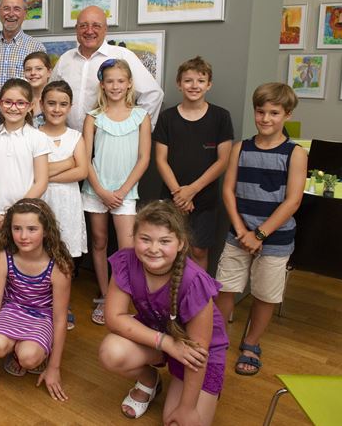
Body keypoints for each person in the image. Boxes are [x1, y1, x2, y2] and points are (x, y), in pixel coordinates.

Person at [98, 200, 229, 424]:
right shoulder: (126, 261)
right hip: (161, 339)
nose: (153, 248)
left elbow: (198, 354)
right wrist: (167, 343)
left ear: (180, 243)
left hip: (195, 354)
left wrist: (187, 408)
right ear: (134, 237)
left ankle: (201, 394)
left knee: (178, 422)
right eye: (145, 239)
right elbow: (114, 318)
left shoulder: (194, 280)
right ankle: (150, 380)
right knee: (111, 352)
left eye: (164, 241)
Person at [215, 83, 307, 376]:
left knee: (265, 294)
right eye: (260, 111)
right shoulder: (240, 148)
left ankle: (251, 344)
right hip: (238, 235)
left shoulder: (295, 154)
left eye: (274, 113)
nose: (266, 118)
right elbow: (228, 191)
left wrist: (259, 235)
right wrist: (241, 230)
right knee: (225, 287)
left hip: (274, 239)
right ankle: (217, 340)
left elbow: (292, 201)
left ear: (287, 114)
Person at [0, 199, 73, 402]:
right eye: (17, 228)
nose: (23, 236)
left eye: (32, 229)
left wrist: (54, 367)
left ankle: (33, 350)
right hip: (13, 309)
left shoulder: (58, 267)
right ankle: (17, 348)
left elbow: (60, 319)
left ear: (46, 231)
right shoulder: (3, 259)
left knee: (28, 357)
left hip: (42, 316)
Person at [82, 59, 151, 326]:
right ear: (102, 85)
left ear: (129, 83)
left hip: (125, 193)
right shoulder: (93, 117)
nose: (115, 86)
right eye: (110, 81)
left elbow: (144, 158)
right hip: (96, 190)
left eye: (120, 81)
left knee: (128, 248)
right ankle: (104, 295)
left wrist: (121, 191)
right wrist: (101, 190)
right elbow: (86, 158)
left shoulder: (141, 116)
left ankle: (120, 297)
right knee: (99, 242)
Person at [153, 56, 234, 270]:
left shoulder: (221, 117)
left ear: (209, 85)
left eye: (200, 81)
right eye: (188, 80)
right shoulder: (167, 118)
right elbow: (160, 160)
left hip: (205, 199)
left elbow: (223, 160)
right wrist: (179, 194)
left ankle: (197, 290)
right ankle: (169, 289)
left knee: (198, 250)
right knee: (167, 248)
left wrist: (192, 190)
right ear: (179, 84)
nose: (194, 86)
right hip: (171, 197)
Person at [0, 78, 51, 310]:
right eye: (8, 102)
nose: (14, 107)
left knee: (21, 262)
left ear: (30, 106)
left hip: (26, 218)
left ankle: (20, 307)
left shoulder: (38, 138)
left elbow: (41, 181)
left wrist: (16, 215)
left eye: (20, 103)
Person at [51, 5, 163, 131]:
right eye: (83, 25)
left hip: (108, 138)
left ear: (105, 29)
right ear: (76, 29)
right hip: (68, 138)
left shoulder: (122, 56)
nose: (89, 31)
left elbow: (153, 94)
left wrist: (135, 129)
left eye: (96, 26)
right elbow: (49, 95)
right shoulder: (65, 59)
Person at [38, 81, 88, 329]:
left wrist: (46, 174)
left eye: (62, 104)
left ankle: (62, 304)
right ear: (41, 105)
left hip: (68, 203)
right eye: (51, 103)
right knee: (40, 252)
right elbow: (32, 170)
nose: (56, 109)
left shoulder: (75, 137)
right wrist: (68, 163)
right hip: (41, 201)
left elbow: (82, 171)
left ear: (70, 107)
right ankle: (39, 302)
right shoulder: (34, 135)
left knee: (64, 256)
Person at [0, 0, 45, 110]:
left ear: (25, 13)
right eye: (6, 8)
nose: (11, 14)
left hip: (23, 118)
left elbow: (41, 89)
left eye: (17, 9)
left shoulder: (36, 48)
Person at [23, 51, 53, 128]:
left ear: (49, 72)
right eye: (28, 69)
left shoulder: (56, 100)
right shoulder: (21, 100)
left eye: (39, 69)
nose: (33, 73)